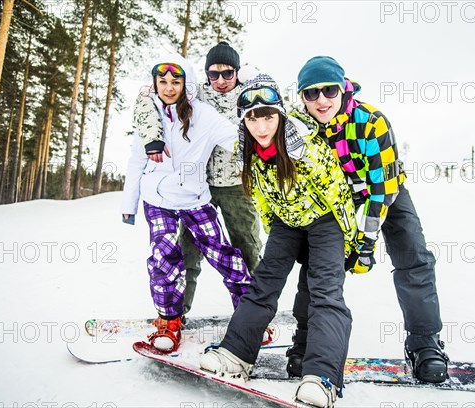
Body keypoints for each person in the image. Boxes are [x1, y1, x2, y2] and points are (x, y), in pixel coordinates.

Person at [198, 74, 358, 408]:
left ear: (280, 115)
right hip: (287, 222)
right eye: (253, 118)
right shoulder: (249, 154)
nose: (261, 125)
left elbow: (338, 195)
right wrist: (278, 239)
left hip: (327, 220)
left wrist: (349, 242)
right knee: (264, 281)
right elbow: (262, 201)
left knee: (325, 291)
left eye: (268, 116)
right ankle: (236, 355)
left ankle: (322, 377)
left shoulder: (305, 147)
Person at [288, 56, 449, 383]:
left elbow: (381, 192)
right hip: (338, 200)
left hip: (384, 192)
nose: (321, 100)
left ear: (343, 88)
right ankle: (306, 342)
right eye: (311, 93)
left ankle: (424, 343)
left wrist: (365, 243)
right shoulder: (300, 126)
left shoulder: (371, 122)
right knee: (319, 264)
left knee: (413, 257)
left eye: (329, 90)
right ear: (302, 96)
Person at [121, 53, 251, 353]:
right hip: (158, 198)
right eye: (163, 81)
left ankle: (249, 317)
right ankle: (169, 321)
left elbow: (236, 139)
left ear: (186, 83)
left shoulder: (203, 115)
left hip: (195, 198)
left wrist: (274, 143)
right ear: (154, 83)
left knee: (223, 254)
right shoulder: (149, 116)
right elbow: (136, 160)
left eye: (176, 81)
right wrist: (129, 202)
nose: (169, 87)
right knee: (164, 256)